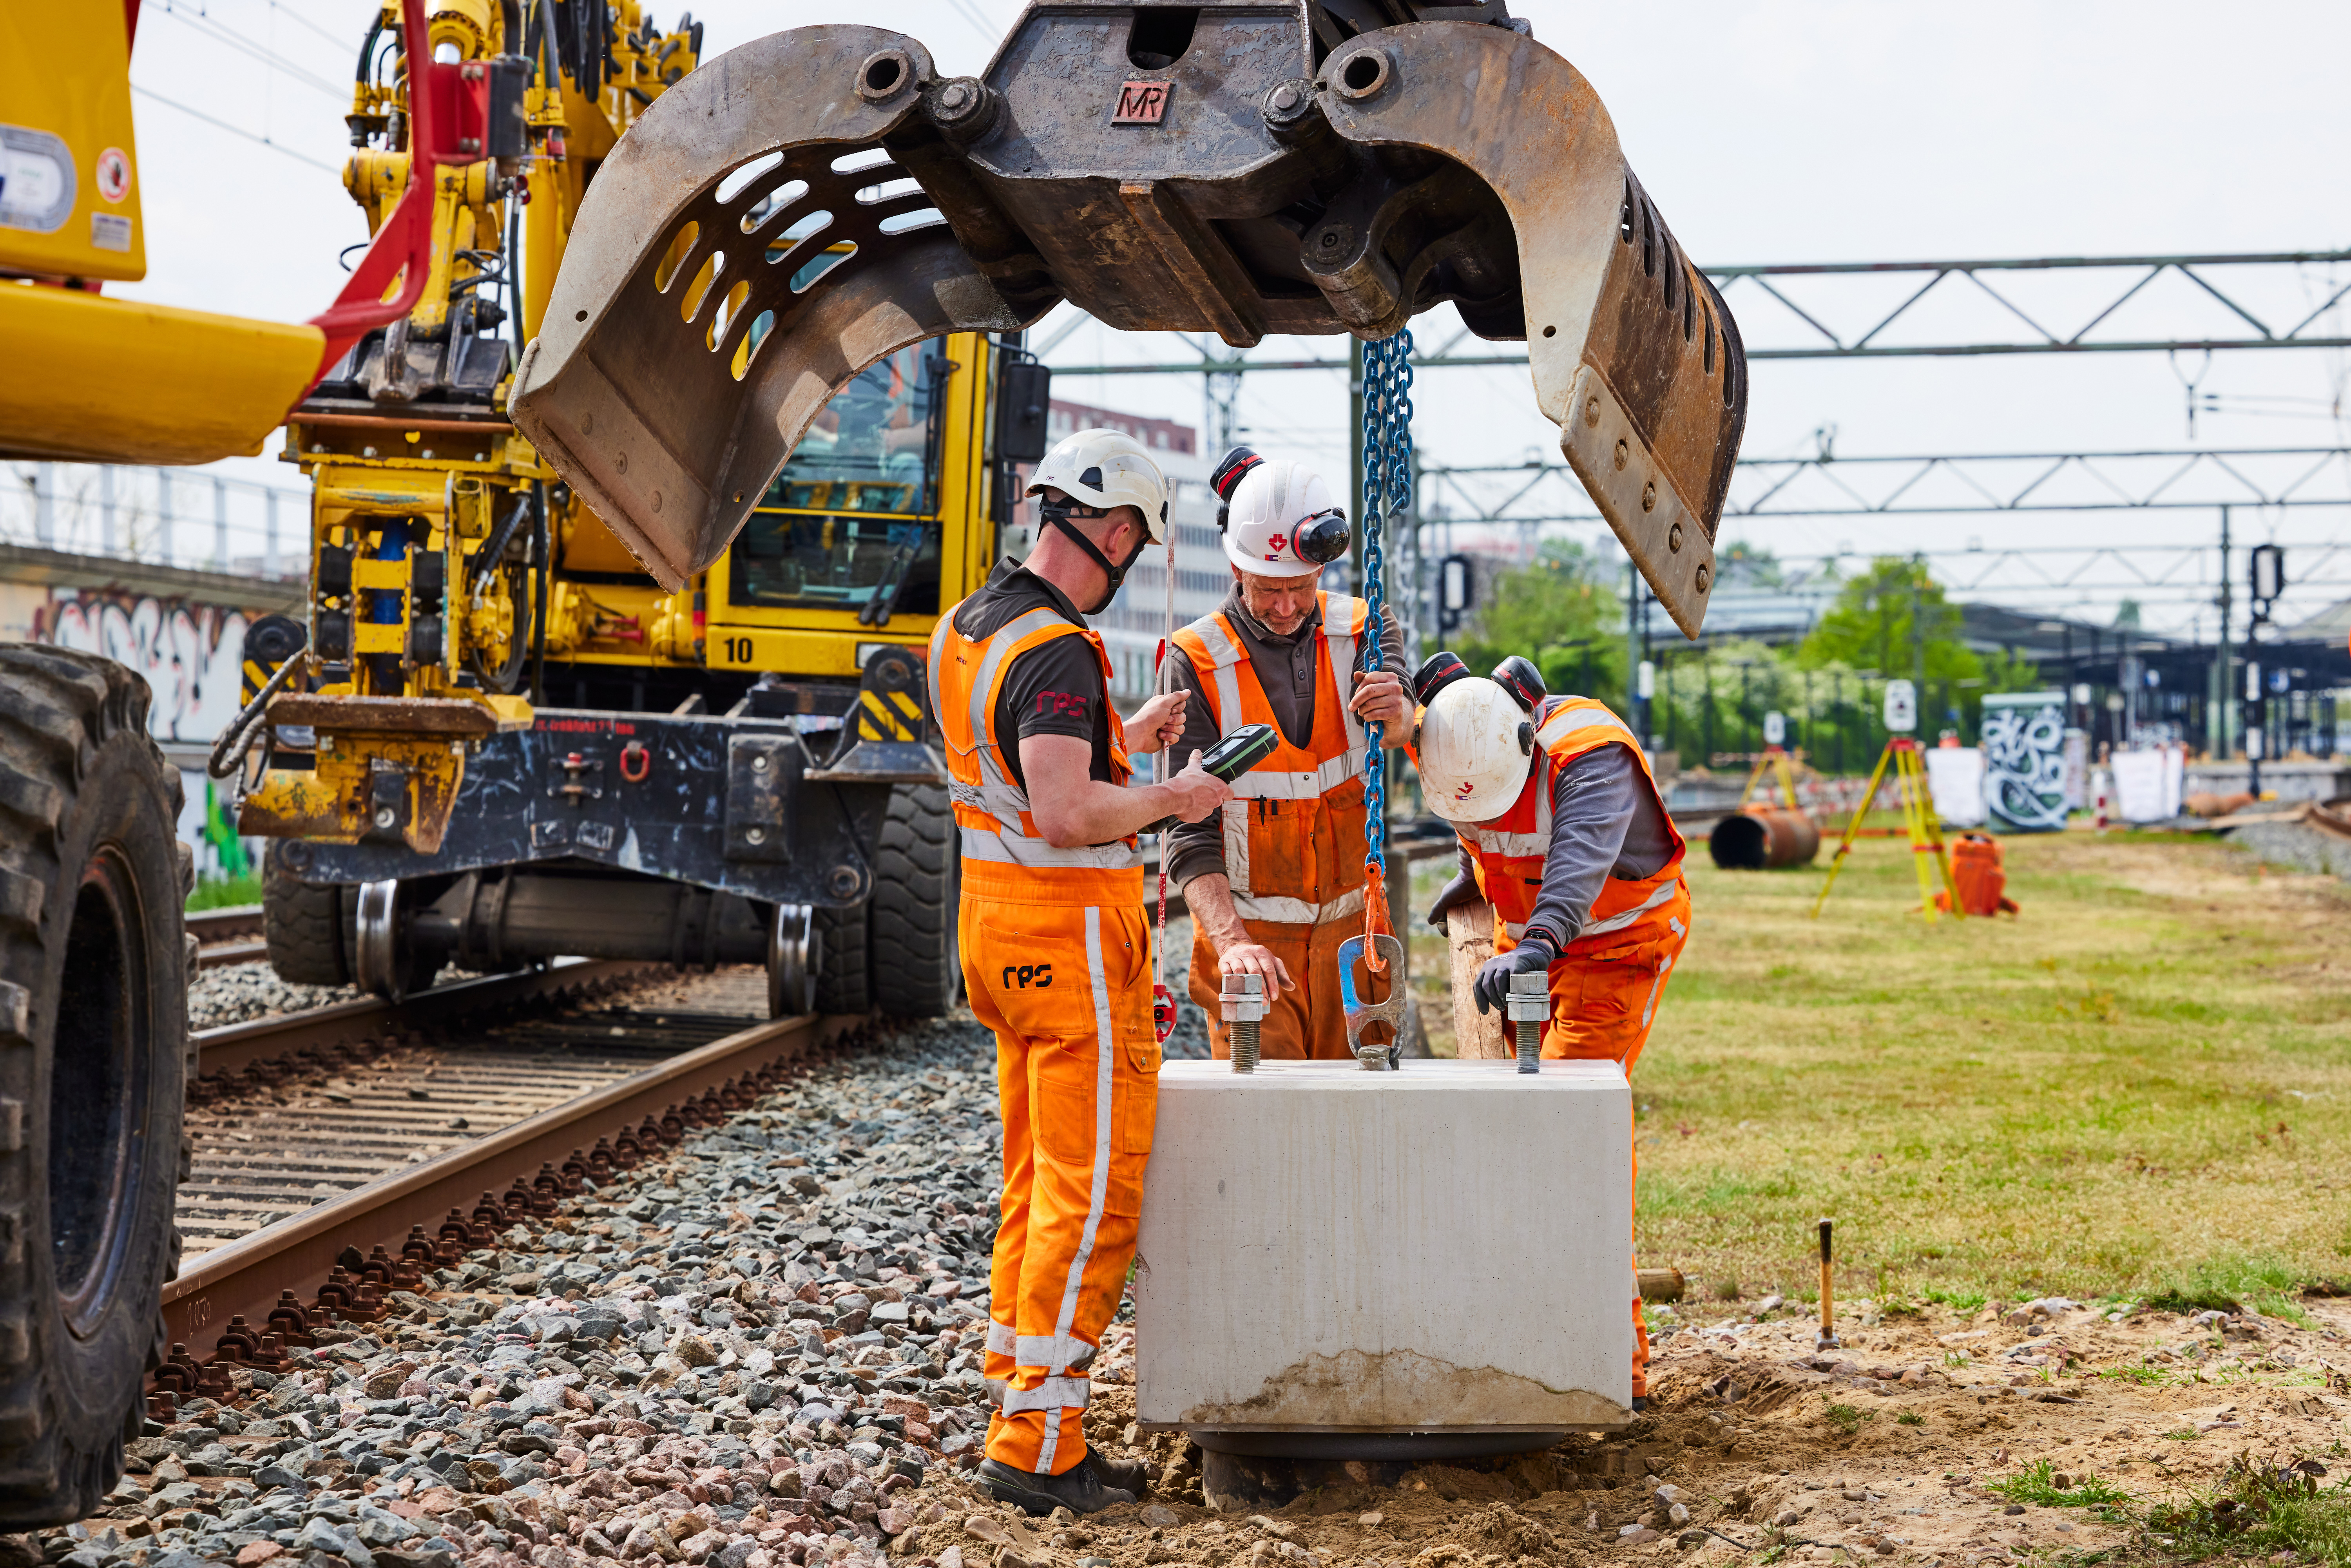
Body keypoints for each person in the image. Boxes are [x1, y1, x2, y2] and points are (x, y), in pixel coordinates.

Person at [928, 427, 1233, 1514]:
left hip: (995, 938)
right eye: (1138, 546)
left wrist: (1125, 733)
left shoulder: (972, 625)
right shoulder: (1059, 648)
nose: (1135, 564)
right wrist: (1173, 795)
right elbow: (1063, 812)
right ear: (1108, 531)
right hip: (1066, 942)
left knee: (1033, 1177)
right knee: (1091, 1192)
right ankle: (1039, 1446)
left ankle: (1021, 1397)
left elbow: (1014, 765)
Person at [1412, 651, 1690, 1409]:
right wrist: (1476, 882)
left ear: (1527, 740)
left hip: (1617, 944)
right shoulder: (1450, 736)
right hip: (1528, 941)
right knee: (1516, 1137)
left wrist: (1539, 940)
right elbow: (1482, 821)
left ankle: (1608, 1367)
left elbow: (1576, 857)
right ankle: (1525, 1331)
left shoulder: (1590, 755)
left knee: (1573, 1143)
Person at [1157, 447, 1412, 1059]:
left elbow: (1405, 726)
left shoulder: (1365, 632)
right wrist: (1231, 941)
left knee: (1359, 1136)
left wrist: (1399, 712)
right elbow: (1185, 832)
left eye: (1301, 587)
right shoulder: (1192, 663)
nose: (1286, 605)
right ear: (1234, 566)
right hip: (1255, 953)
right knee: (1264, 1135)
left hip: (1358, 949)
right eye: (1268, 588)